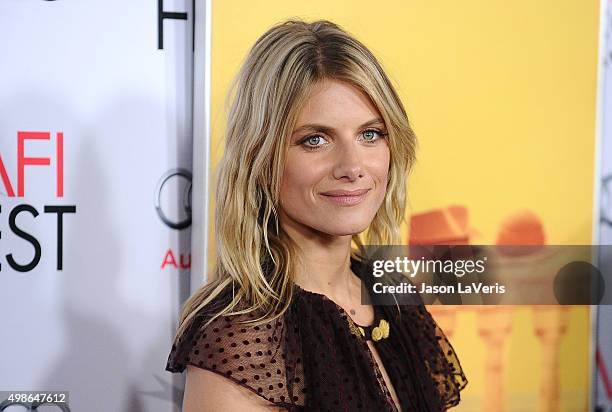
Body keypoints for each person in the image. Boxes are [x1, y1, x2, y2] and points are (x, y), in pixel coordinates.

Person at [166, 19, 467, 411]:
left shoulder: (393, 294)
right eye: (315, 140)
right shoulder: (243, 334)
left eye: (370, 134)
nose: (352, 166)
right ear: (262, 158)